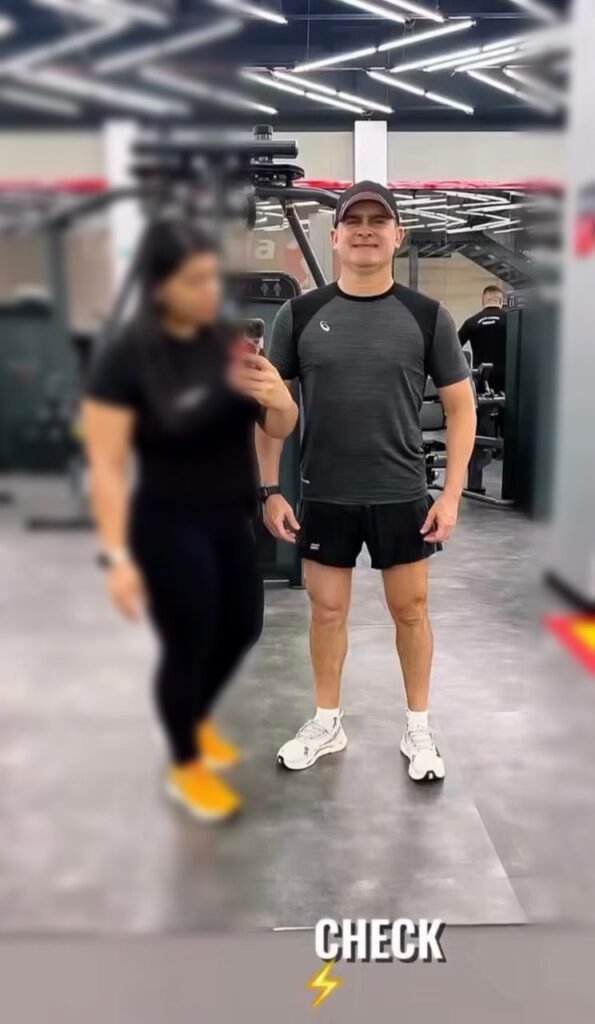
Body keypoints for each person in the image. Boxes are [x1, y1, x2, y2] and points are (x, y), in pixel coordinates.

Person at [255, 181, 476, 782]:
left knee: (411, 611)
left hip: (401, 494)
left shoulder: (427, 316)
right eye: (354, 221)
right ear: (335, 236)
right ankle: (327, 721)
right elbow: (272, 407)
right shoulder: (300, 315)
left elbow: (461, 408)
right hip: (325, 492)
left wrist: (452, 493)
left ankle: (418, 727)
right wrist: (270, 488)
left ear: (397, 235)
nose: (366, 230)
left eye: (379, 221)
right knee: (326, 612)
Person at [83, 220, 298, 822]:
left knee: (243, 628)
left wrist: (282, 401)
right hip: (167, 524)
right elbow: (105, 463)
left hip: (231, 517)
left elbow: (276, 425)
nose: (209, 291)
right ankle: (185, 764)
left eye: (212, 278)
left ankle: (194, 716)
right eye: (194, 280)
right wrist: (116, 558)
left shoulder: (228, 350)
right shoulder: (126, 357)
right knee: (190, 640)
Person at [458, 285, 508, 394]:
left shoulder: (471, 322)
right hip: (507, 380)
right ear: (501, 301)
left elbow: (454, 348)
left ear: (483, 301)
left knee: (482, 404)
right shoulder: (511, 320)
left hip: (482, 380)